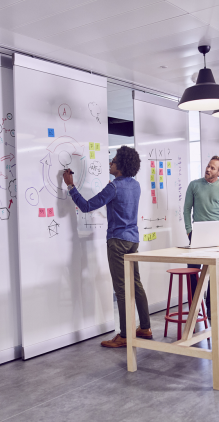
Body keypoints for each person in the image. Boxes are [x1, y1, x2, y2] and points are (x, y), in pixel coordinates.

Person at [62, 146, 151, 348]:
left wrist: (70, 186)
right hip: (132, 240)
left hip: (117, 242)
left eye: (114, 159)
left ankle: (125, 336)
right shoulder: (135, 186)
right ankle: (144, 327)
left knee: (121, 289)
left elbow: (86, 206)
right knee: (136, 284)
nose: (111, 161)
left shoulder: (114, 187)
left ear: (121, 165)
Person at [183, 156, 219, 316]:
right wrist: (189, 230)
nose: (208, 169)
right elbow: (187, 209)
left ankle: (211, 308)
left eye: (213, 168)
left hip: (217, 233)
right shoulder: (194, 185)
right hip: (196, 233)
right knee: (193, 270)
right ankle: (195, 307)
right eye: (208, 166)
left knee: (215, 272)